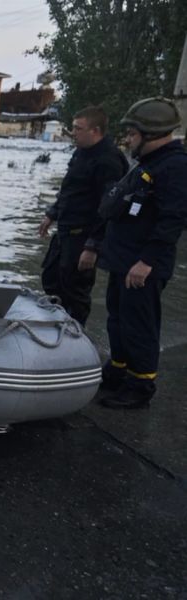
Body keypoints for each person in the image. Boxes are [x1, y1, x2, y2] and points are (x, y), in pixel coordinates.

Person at [81, 97, 187, 409]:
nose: (127, 139)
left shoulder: (175, 168)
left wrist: (147, 261)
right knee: (118, 318)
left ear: (151, 134)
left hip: (142, 264)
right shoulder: (148, 164)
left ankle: (141, 384)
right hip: (123, 259)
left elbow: (173, 220)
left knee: (139, 324)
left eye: (132, 134)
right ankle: (119, 369)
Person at [37, 106, 129, 326]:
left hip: (84, 235)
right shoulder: (81, 152)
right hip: (66, 229)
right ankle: (55, 324)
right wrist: (51, 214)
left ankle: (75, 332)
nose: (73, 133)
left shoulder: (109, 160)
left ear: (95, 131)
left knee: (75, 289)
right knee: (51, 278)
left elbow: (108, 208)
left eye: (78, 128)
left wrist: (93, 246)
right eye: (73, 127)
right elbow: (70, 189)